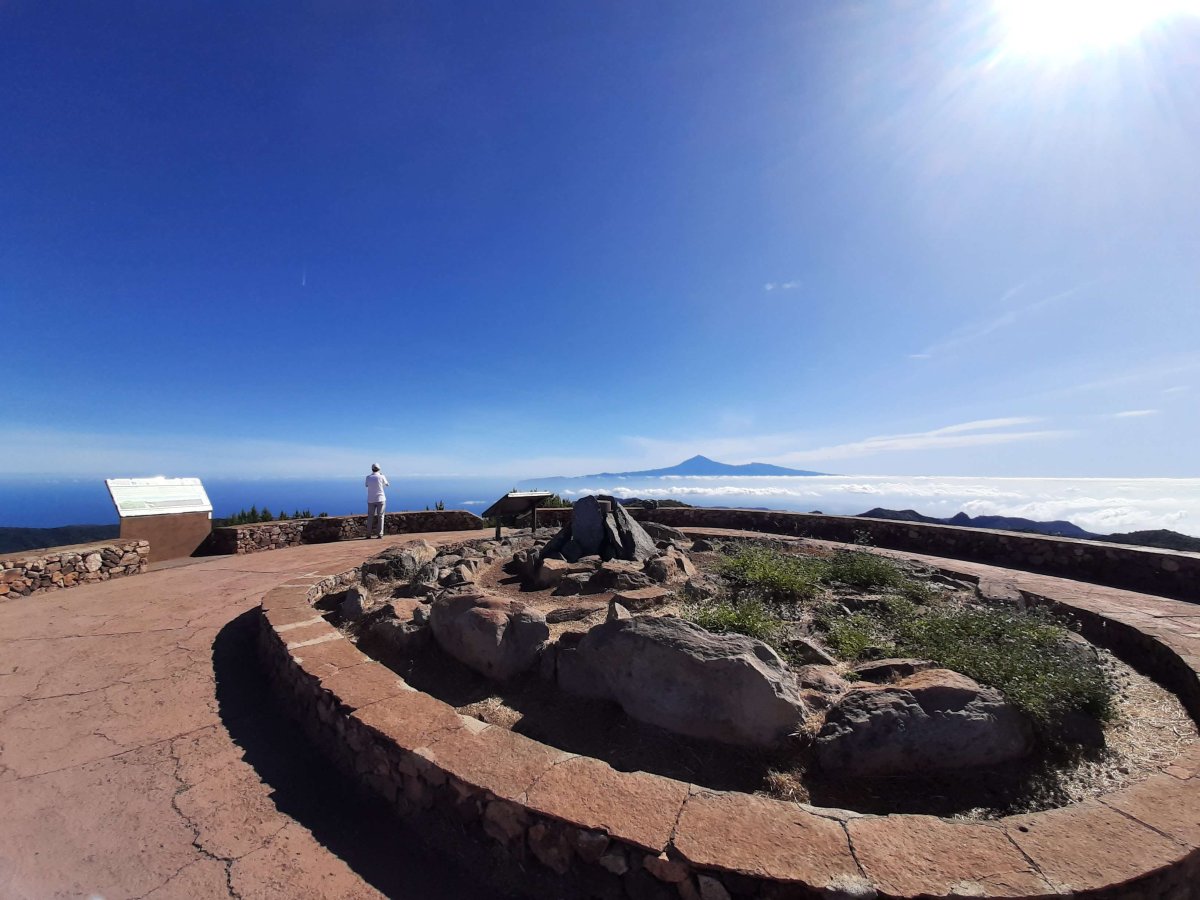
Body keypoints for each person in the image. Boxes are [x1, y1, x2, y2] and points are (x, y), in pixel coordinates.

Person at [364, 463, 389, 539]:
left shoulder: (368, 477)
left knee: (370, 517)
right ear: (379, 469)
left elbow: (366, 485)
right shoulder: (382, 476)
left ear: (372, 469)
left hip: (371, 499)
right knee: (380, 516)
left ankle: (368, 534)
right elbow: (387, 484)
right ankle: (380, 534)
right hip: (381, 499)